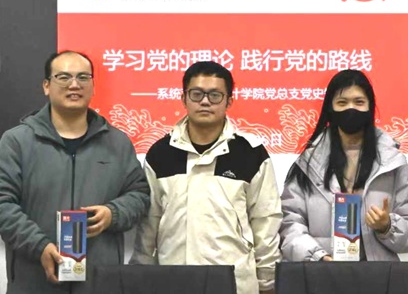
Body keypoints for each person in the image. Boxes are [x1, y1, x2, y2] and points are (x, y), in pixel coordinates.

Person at [0, 50, 150, 294]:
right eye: (63, 77)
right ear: (46, 86)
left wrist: (113, 214)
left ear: (93, 86)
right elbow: (3, 204)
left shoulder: (117, 143)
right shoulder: (17, 142)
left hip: (100, 282)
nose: (74, 85)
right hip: (34, 279)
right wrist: (39, 246)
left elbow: (140, 195)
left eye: (83, 77)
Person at [130, 61, 282, 294]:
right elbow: (149, 225)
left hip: (235, 282)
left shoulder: (250, 153)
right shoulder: (161, 153)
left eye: (215, 95)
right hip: (174, 280)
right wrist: (142, 275)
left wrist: (267, 281)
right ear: (184, 98)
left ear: (229, 101)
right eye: (197, 94)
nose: (205, 101)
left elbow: (265, 220)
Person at [279, 69, 408, 262]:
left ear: (370, 107)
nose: (351, 109)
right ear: (330, 108)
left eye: (359, 102)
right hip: (322, 272)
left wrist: (388, 226)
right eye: (342, 103)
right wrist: (317, 256)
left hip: (376, 275)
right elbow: (289, 224)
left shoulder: (392, 162)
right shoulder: (308, 163)